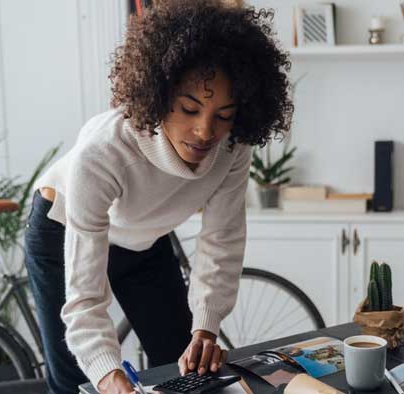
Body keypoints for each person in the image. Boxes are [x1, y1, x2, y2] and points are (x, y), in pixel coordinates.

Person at [23, 1, 292, 393]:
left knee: (184, 362)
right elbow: (85, 300)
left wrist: (206, 326)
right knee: (78, 383)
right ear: (159, 93)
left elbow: (222, 239)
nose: (204, 131)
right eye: (189, 108)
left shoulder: (233, 147)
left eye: (224, 114)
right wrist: (110, 376)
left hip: (142, 237)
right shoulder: (102, 153)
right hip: (61, 227)